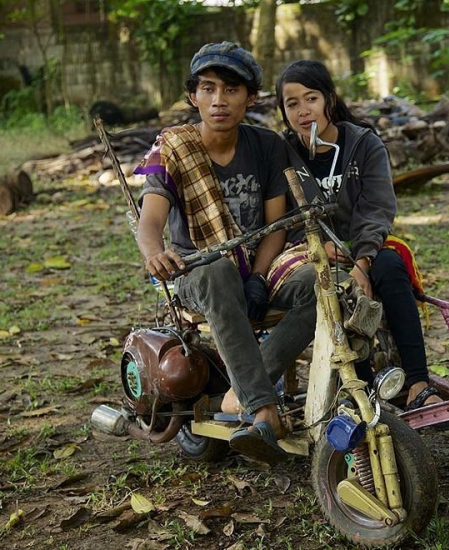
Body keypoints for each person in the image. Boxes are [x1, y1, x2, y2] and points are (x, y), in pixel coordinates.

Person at [135, 42, 317, 465]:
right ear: (192, 96)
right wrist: (154, 253)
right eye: (208, 88)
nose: (219, 100)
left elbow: (277, 225)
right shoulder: (174, 148)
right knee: (217, 270)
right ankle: (263, 408)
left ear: (250, 98)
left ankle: (240, 394)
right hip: (198, 270)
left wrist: (256, 277)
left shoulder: (267, 146)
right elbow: (149, 223)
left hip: (258, 263)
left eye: (232, 90)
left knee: (318, 283)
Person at [275, 59, 442, 410]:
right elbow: (281, 217)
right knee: (338, 290)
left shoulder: (363, 144)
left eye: (311, 99)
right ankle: (362, 391)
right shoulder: (282, 155)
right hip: (313, 252)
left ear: (329, 101)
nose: (303, 111)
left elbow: (376, 209)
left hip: (364, 244)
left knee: (391, 270)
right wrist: (313, 247)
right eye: (292, 104)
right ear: (283, 111)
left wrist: (363, 262)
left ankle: (417, 382)